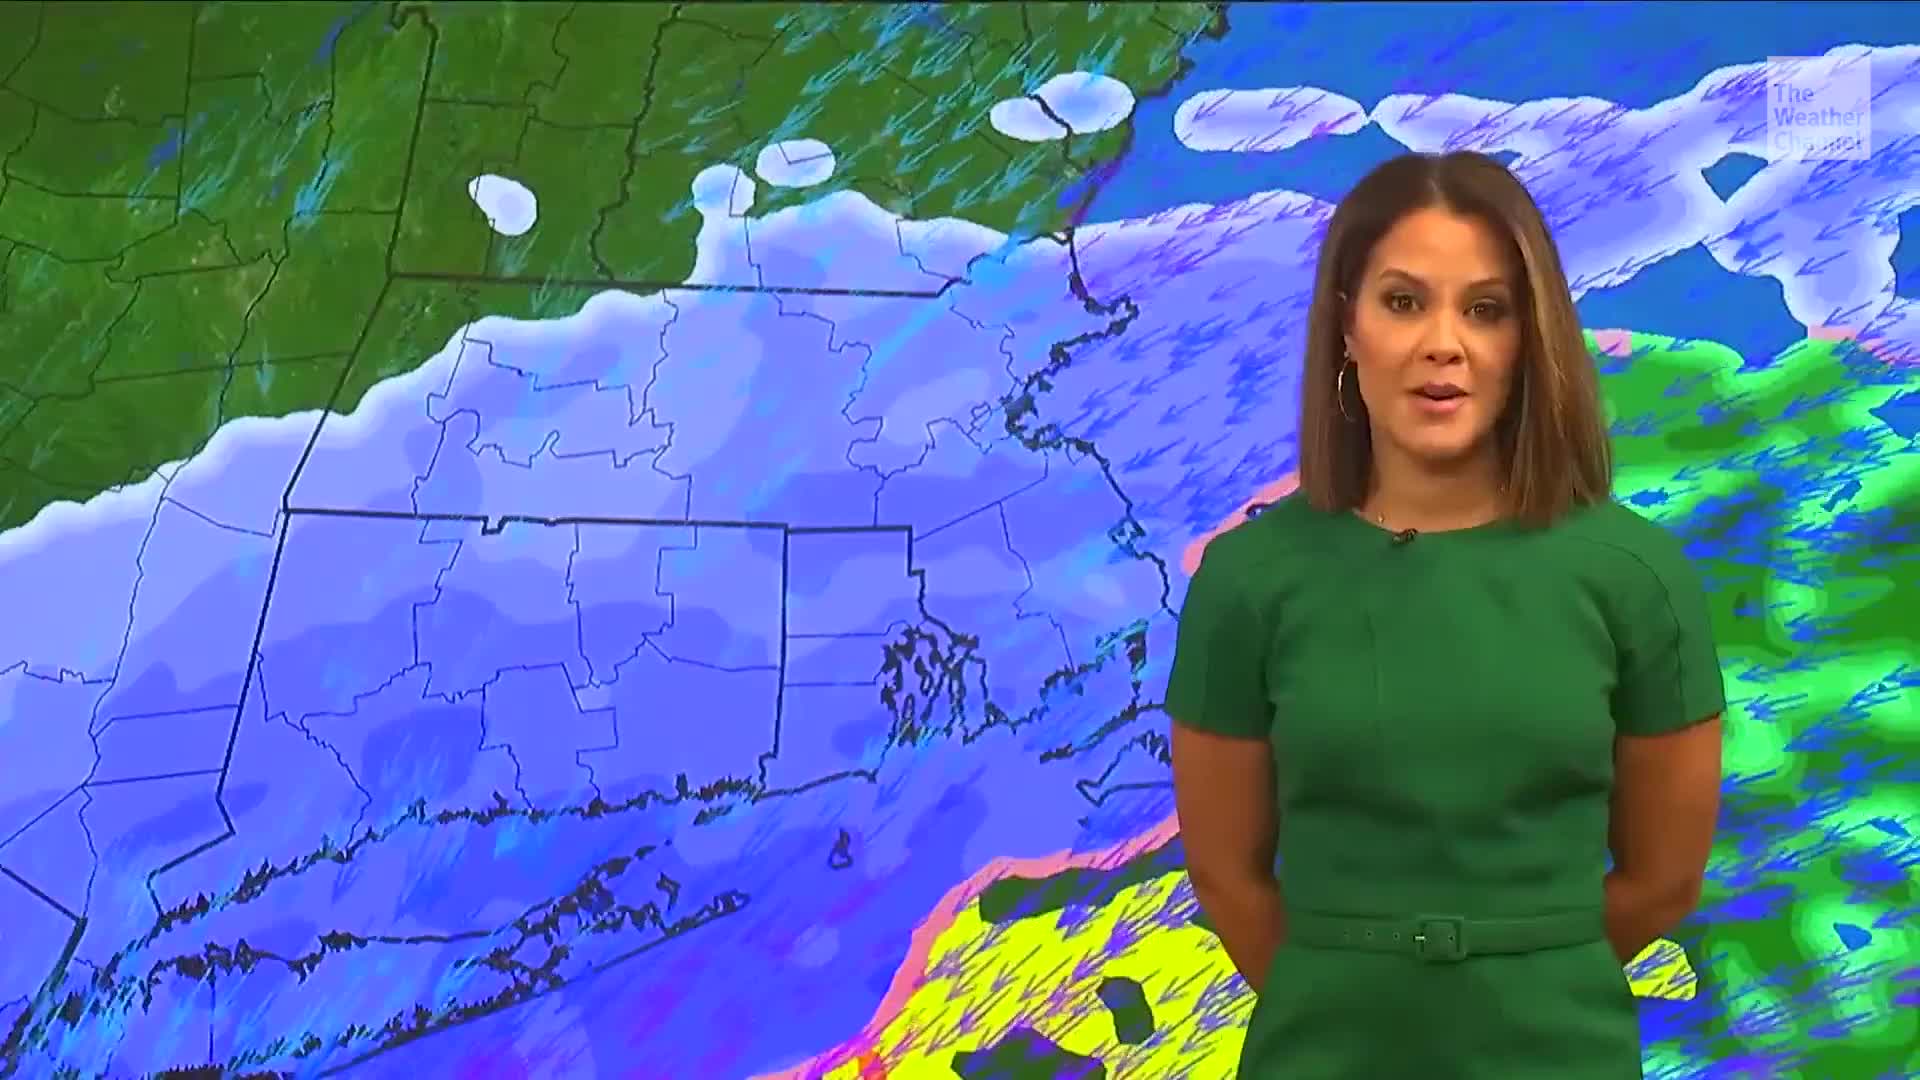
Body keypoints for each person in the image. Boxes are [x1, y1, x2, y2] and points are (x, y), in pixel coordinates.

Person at [1165, 150, 1725, 1078]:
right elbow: (1227, 876)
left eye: (1486, 309)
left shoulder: (1636, 578)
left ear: (1530, 338)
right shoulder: (1248, 582)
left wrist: (1526, 972)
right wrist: (1351, 988)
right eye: (1403, 302)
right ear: (1347, 325)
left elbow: (1662, 880)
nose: (1443, 344)